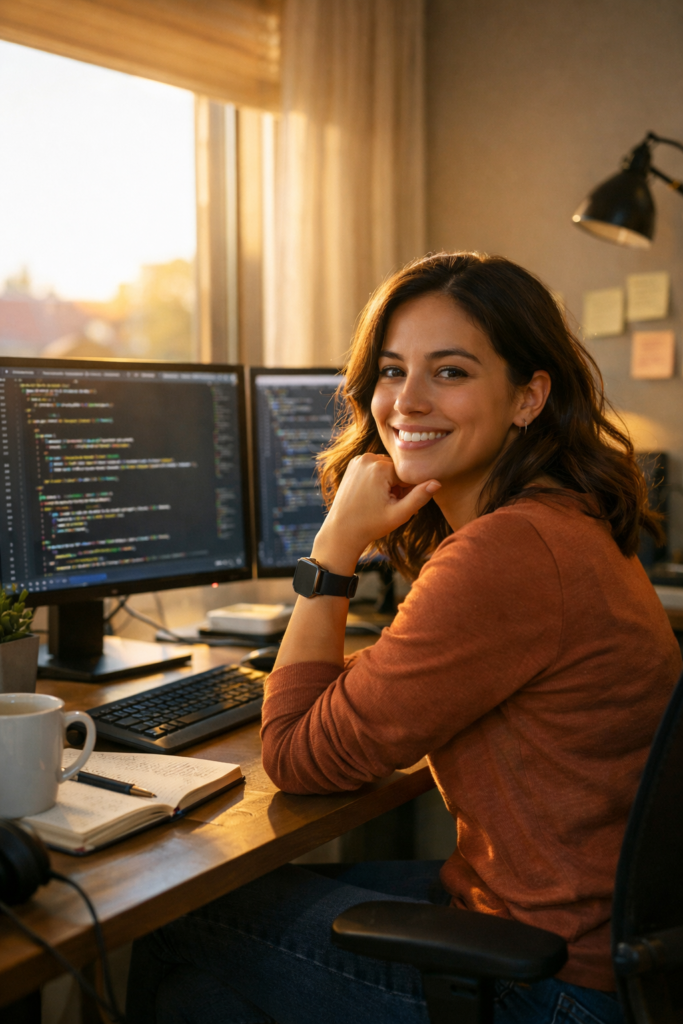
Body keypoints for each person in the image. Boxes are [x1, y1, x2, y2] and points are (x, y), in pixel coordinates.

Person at [126, 252, 681, 1024]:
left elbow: (294, 756)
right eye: (391, 371)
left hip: (555, 982)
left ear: (528, 396)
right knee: (222, 933)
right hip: (598, 943)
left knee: (175, 919)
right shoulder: (566, 521)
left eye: (449, 372)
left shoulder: (506, 553)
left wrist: (332, 549)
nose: (406, 401)